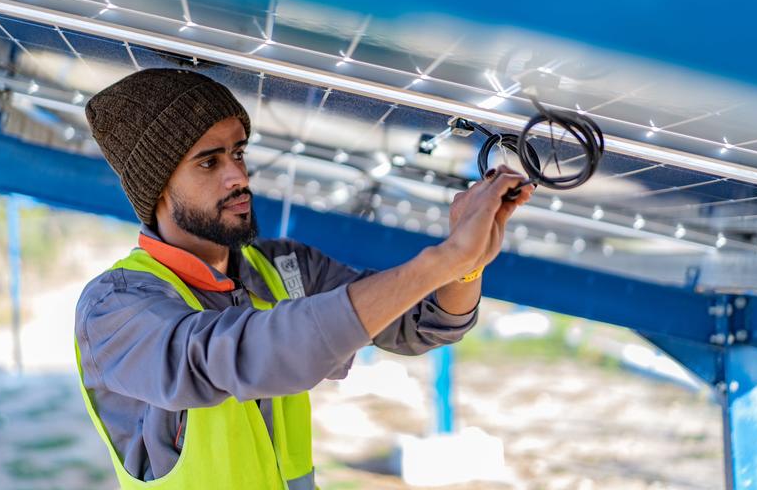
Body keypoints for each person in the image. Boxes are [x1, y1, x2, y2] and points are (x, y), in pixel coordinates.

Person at [75, 68, 533, 489]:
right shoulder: (114, 308)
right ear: (158, 187)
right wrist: (443, 260)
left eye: (238, 153)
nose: (239, 176)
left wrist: (468, 265)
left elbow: (422, 323)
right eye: (209, 163)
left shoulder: (282, 268)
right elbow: (240, 355)